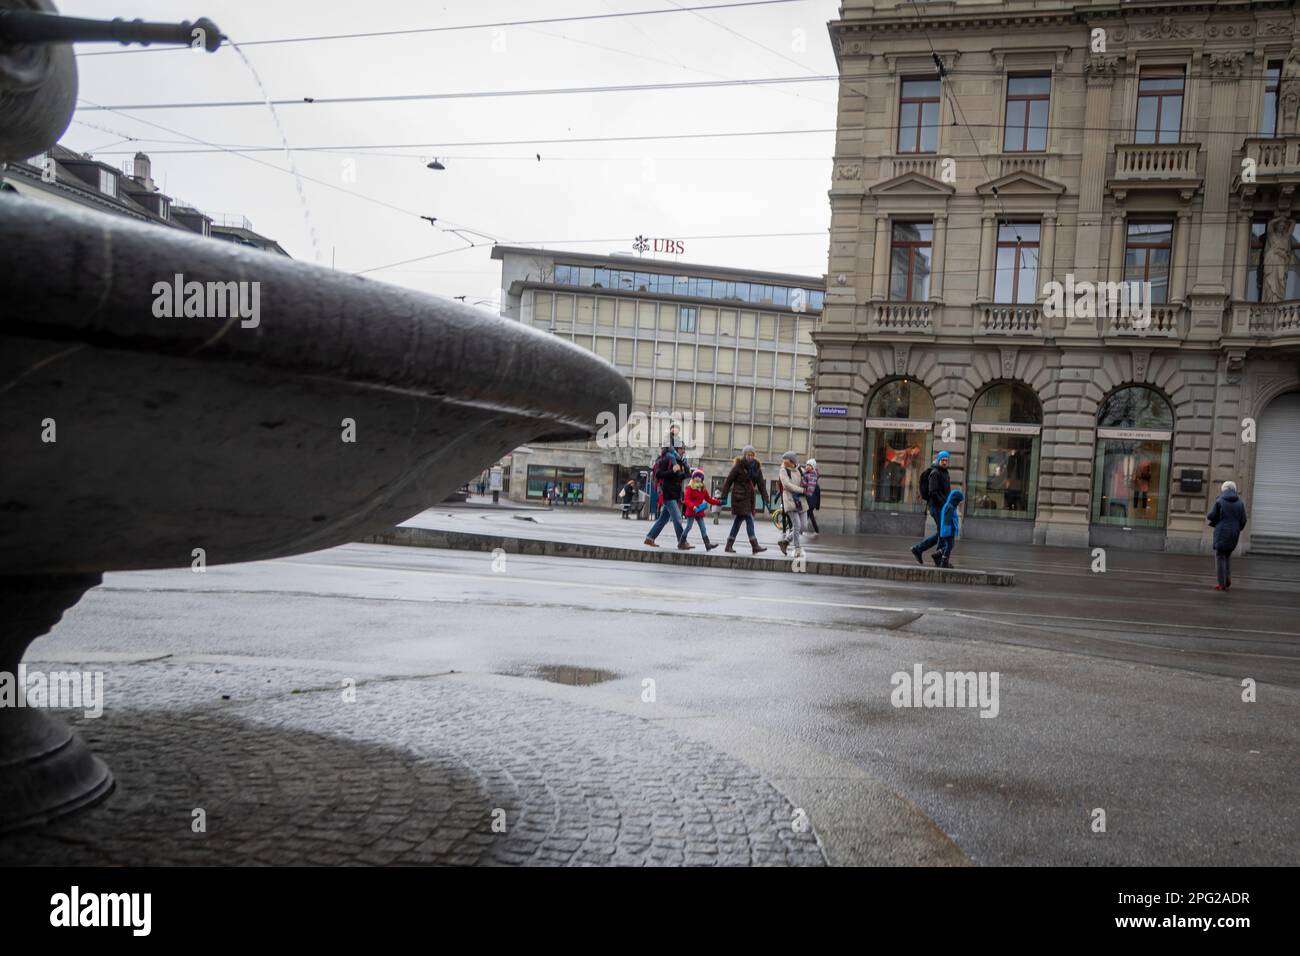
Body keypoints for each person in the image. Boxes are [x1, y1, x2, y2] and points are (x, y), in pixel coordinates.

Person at [719, 445, 769, 554]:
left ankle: (729, 545)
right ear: (745, 455)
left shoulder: (756, 467)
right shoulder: (738, 466)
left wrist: (766, 499)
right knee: (749, 518)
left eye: (752, 455)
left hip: (749, 498)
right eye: (748, 455)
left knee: (737, 522)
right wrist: (724, 497)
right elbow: (728, 481)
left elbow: (761, 484)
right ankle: (754, 545)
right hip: (739, 497)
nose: (750, 457)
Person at [644, 445, 690, 549]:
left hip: (675, 494)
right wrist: (672, 471)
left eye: (684, 449)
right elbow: (659, 474)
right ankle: (682, 541)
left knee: (663, 519)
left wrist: (686, 470)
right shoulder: (667, 459)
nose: (684, 451)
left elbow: (680, 477)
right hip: (668, 494)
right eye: (682, 449)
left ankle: (649, 538)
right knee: (678, 518)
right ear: (677, 449)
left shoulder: (680, 461)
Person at [910, 450, 952, 564]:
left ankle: (919, 549)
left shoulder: (945, 472)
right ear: (939, 460)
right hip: (936, 507)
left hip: (942, 506)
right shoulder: (935, 473)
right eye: (942, 460)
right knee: (943, 532)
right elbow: (933, 491)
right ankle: (938, 556)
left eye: (946, 460)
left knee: (942, 532)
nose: (944, 462)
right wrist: (944, 504)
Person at [1206, 480, 1248, 591]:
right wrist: (1238, 529)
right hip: (1234, 533)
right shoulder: (1240, 503)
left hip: (1222, 532)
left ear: (1223, 489)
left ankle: (1221, 583)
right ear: (1234, 490)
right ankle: (1227, 578)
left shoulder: (1219, 501)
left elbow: (1210, 516)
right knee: (1228, 555)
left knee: (1220, 557)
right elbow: (1243, 520)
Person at [682, 469, 722, 551]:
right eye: (696, 476)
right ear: (693, 478)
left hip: (699, 511)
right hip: (692, 511)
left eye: (699, 477)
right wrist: (693, 506)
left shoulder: (703, 489)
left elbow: (708, 499)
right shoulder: (690, 487)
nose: (697, 478)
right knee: (689, 527)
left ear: (702, 478)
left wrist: (719, 502)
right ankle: (681, 542)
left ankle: (708, 545)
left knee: (703, 528)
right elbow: (686, 500)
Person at [776, 451, 807, 557]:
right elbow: (787, 485)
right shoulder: (783, 471)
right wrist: (801, 490)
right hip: (790, 500)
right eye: (783, 460)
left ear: (792, 461)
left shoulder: (801, 470)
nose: (784, 462)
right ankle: (797, 549)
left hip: (801, 502)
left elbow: (808, 481)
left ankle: (785, 541)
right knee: (797, 525)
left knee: (803, 526)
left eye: (786, 459)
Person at [934, 488, 964, 568]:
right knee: (949, 546)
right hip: (948, 531)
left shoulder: (950, 506)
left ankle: (938, 554)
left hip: (950, 530)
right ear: (955, 500)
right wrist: (947, 532)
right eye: (958, 501)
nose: (958, 503)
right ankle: (944, 562)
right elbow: (947, 520)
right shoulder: (949, 507)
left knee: (950, 545)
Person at [802, 458, 821, 535]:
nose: (807, 466)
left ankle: (801, 530)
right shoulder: (807, 474)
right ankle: (816, 531)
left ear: (812, 467)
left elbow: (809, 487)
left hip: (811, 498)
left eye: (809, 465)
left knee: (806, 514)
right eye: (807, 465)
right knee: (810, 515)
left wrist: (804, 489)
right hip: (810, 499)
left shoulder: (812, 475)